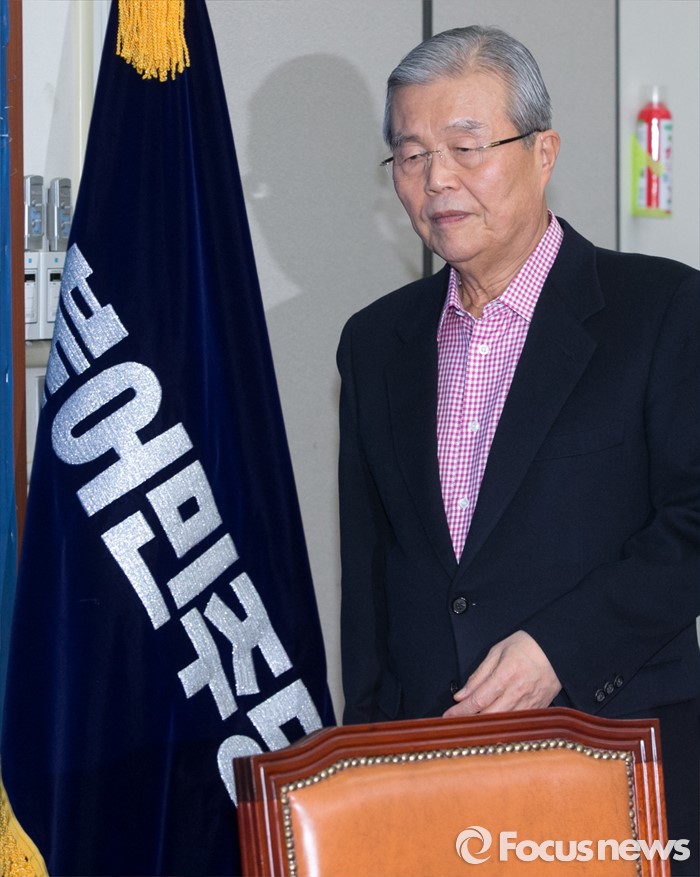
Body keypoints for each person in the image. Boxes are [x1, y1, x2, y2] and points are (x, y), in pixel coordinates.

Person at [336, 24, 700, 874]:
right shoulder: (376, 342)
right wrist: (366, 759)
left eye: (466, 146)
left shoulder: (662, 311)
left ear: (544, 152)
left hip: (615, 759)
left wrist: (558, 648)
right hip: (426, 770)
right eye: (411, 155)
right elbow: (371, 576)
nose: (437, 179)